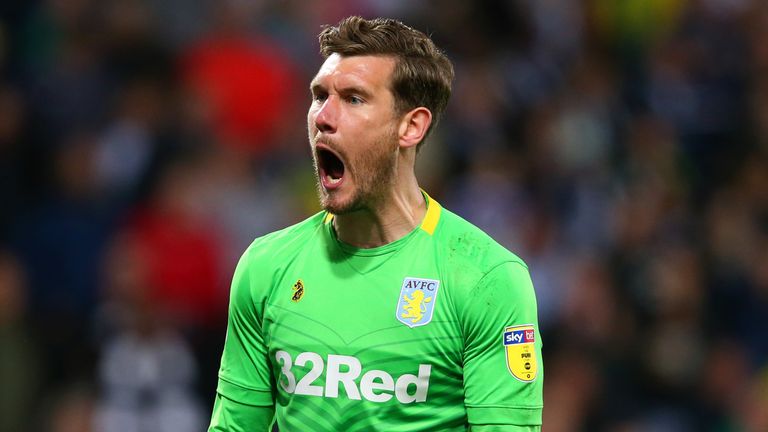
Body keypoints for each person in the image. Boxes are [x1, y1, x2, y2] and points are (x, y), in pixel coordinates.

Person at [208, 16, 543, 431]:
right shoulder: (266, 266)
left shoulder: (485, 280)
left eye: (353, 98)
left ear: (411, 126)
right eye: (319, 96)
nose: (323, 117)